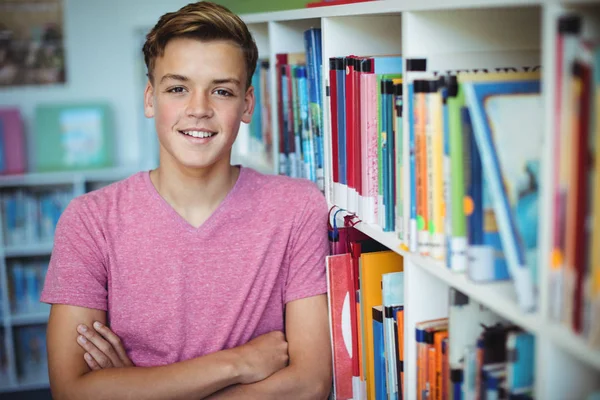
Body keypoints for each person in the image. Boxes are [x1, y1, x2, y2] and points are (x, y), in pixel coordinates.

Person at [40, 2, 332, 399]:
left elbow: (309, 384)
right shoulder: (90, 220)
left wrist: (142, 389)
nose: (198, 109)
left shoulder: (297, 208)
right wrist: (237, 364)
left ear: (246, 104)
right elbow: (73, 391)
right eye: (178, 88)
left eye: (221, 91)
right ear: (150, 99)